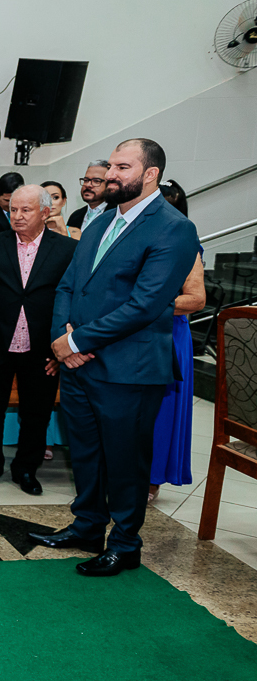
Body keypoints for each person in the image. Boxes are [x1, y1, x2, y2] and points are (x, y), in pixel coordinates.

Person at [30, 139, 199, 577]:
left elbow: (145, 305)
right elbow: (68, 285)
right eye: (111, 166)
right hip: (80, 365)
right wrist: (61, 340)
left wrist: (77, 342)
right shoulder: (101, 221)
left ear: (151, 174)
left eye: (123, 167)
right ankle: (87, 526)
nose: (110, 174)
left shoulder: (174, 228)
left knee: (125, 461)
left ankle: (125, 544)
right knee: (85, 453)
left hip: (130, 367)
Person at [0, 185, 78, 496]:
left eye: (26, 210)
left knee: (36, 413)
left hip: (43, 349)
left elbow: (73, 302)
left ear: (45, 212)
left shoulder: (66, 249)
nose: (18, 216)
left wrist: (62, 349)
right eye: (13, 209)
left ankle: (26, 469)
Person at [150, 179, 206, 502]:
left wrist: (146, 306)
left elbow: (196, 299)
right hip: (131, 331)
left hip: (170, 333)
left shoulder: (186, 242)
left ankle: (153, 476)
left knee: (164, 409)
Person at [66, 160, 110, 232]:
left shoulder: (117, 213)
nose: (88, 185)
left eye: (96, 181)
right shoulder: (75, 216)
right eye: (86, 180)